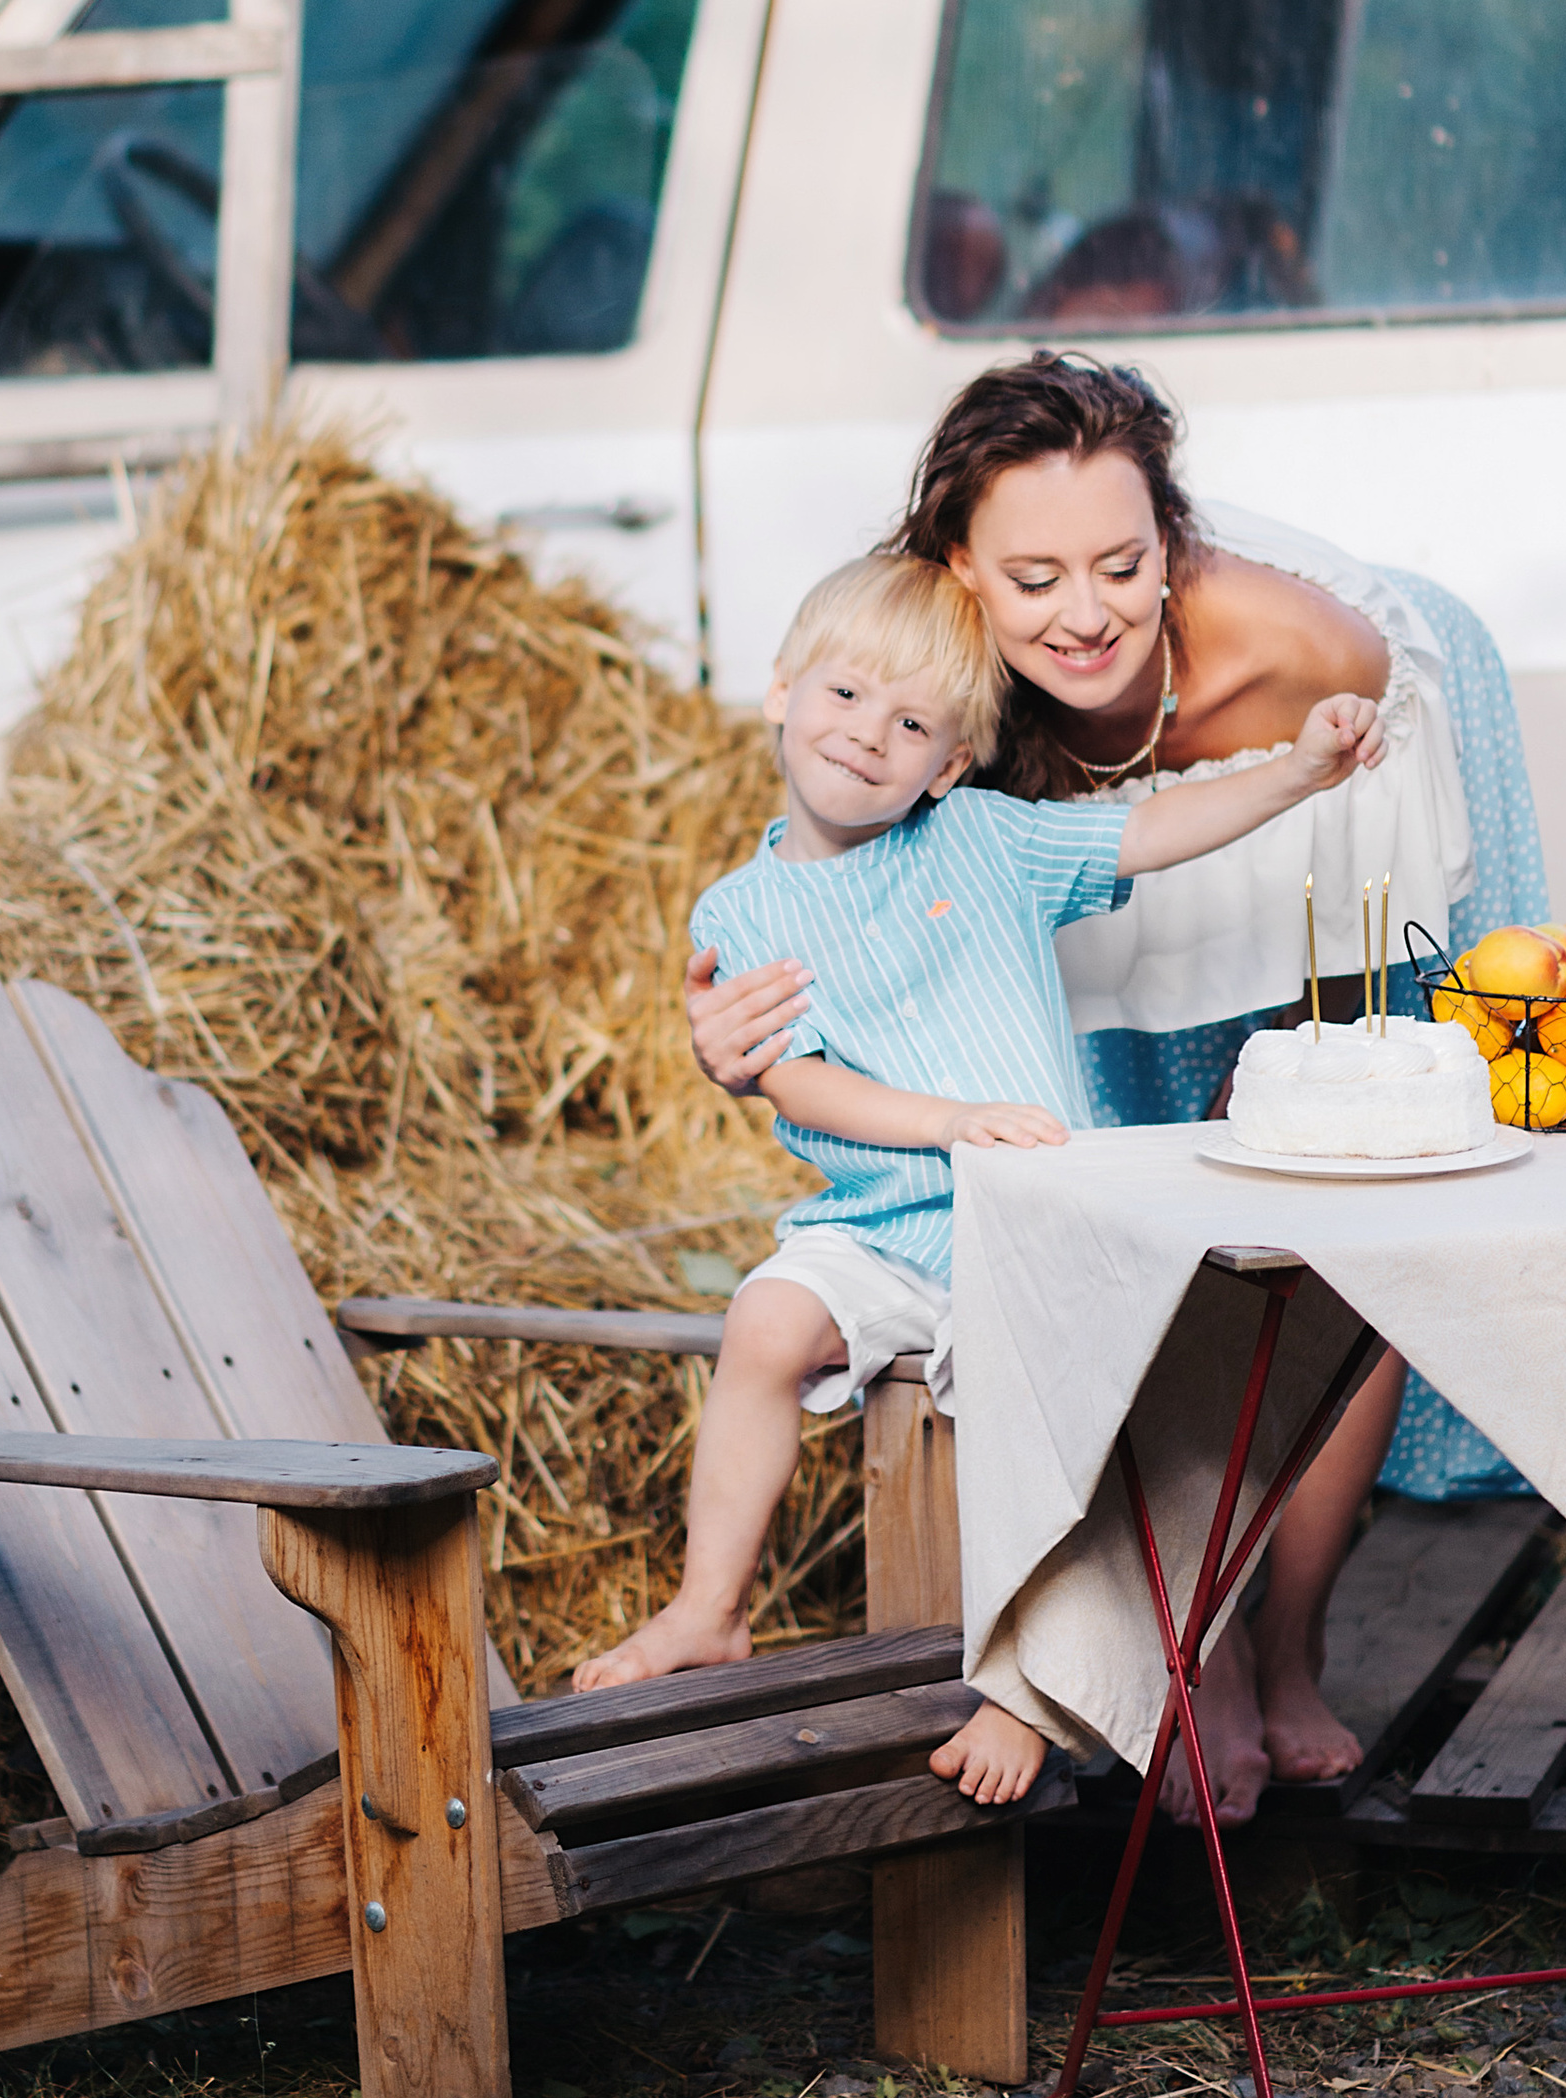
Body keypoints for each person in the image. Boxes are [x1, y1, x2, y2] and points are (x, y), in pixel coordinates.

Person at [686, 350, 1549, 1823]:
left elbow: (1285, 849)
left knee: (1324, 1235)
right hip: (1077, 875)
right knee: (1129, 1251)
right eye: (1032, 579)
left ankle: (1288, 1641)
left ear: (1170, 544)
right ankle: (1193, 1653)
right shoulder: (919, 697)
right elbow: (843, 935)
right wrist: (733, 1047)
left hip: (1316, 791)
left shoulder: (1312, 653)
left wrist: (1303, 810)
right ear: (958, 574)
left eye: (1122, 566)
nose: (1083, 614)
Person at [574, 546, 1385, 1806]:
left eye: (911, 724)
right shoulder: (740, 911)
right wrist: (948, 1121)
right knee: (765, 1320)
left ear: (950, 763)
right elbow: (796, 1081)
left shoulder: (985, 841)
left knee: (1056, 1426)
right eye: (845, 694)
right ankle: (709, 1607)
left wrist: (1297, 771)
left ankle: (1022, 1689)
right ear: (781, 689)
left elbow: (1151, 829)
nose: (867, 735)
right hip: (879, 1223)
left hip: (1031, 1235)